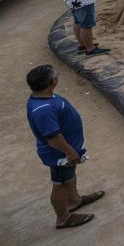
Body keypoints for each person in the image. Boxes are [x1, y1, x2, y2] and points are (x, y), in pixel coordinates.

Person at [25, 65, 104, 229]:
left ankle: (74, 201)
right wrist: (70, 152)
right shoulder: (43, 110)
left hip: (67, 150)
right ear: (52, 82)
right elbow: (53, 137)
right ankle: (63, 218)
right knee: (60, 184)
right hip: (60, 154)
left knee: (68, 177)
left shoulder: (43, 97)